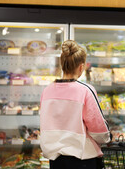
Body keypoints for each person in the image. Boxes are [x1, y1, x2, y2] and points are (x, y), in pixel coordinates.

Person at [40, 40, 111, 169]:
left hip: (55, 161)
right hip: (82, 160)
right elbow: (98, 129)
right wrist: (107, 138)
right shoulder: (85, 90)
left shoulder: (47, 91)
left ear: (62, 65)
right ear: (81, 67)